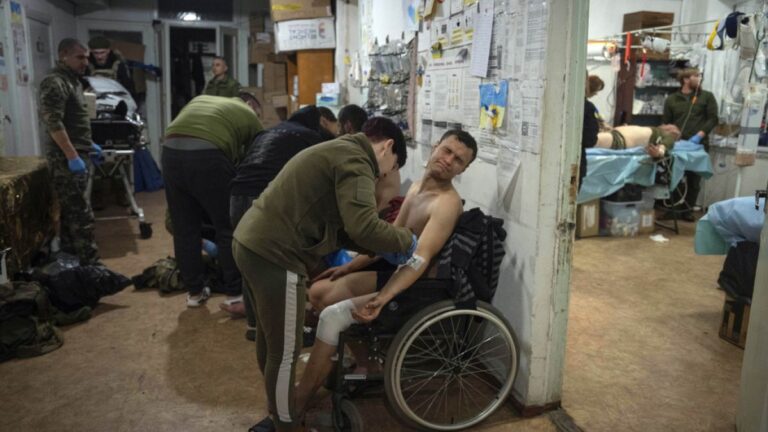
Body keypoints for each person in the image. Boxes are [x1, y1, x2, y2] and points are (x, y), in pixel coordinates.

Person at [232, 117, 418, 432]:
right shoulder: (359, 159)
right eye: (390, 168)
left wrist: (374, 247)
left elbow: (341, 224)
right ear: (387, 147)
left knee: (269, 338)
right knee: (286, 350)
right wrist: (407, 241)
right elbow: (362, 224)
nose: (382, 176)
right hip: (277, 253)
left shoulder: (339, 149)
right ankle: (286, 423)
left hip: (251, 241)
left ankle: (279, 409)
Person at [296, 130, 478, 425]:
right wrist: (349, 266)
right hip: (396, 269)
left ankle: (300, 400)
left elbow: (420, 259)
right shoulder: (418, 188)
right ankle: (365, 361)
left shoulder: (446, 204)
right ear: (434, 147)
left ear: (463, 170)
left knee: (330, 312)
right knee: (318, 290)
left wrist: (382, 298)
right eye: (446, 150)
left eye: (458, 160)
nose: (448, 160)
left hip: (415, 284)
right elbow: (390, 240)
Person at [225, 106, 330, 320]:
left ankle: (255, 324)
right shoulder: (310, 137)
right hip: (265, 201)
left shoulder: (268, 132)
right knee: (283, 262)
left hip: (236, 195)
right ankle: (289, 321)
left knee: (250, 260)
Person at [162, 93, 262, 308]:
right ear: (251, 105)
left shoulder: (201, 99)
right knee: (226, 226)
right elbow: (254, 160)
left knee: (185, 229)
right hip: (208, 155)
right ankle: (235, 294)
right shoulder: (249, 114)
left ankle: (194, 293)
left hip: (170, 151)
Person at [38, 38, 101, 265]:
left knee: (69, 216)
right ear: (64, 55)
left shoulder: (73, 81)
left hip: (77, 152)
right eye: (80, 57)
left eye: (86, 57)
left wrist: (88, 144)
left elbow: (74, 120)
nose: (85, 62)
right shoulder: (55, 83)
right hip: (65, 159)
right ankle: (91, 268)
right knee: (80, 215)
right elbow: (53, 122)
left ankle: (71, 266)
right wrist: (72, 155)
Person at [662, 68, 719, 221]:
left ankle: (687, 210)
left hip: (697, 144)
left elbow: (713, 119)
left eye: (700, 75)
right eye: (696, 76)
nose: (699, 78)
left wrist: (700, 134)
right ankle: (672, 209)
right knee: (674, 177)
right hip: (678, 145)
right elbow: (666, 123)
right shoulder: (672, 100)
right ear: (686, 80)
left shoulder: (706, 97)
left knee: (694, 180)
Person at [594, 124, 681, 158]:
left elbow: (665, 145)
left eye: (670, 125)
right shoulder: (653, 129)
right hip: (614, 135)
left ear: (672, 131)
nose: (665, 124)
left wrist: (659, 152)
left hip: (618, 140)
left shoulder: (665, 135)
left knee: (589, 139)